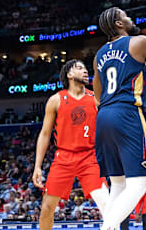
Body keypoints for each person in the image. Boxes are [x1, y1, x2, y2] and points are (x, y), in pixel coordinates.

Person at [93, 7, 146, 230]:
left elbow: (97, 94)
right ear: (119, 24)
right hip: (127, 112)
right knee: (138, 186)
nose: (129, 18)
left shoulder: (99, 54)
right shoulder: (140, 42)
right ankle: (106, 227)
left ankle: (108, 226)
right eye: (125, 16)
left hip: (103, 117)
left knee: (118, 185)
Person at [33, 60, 110, 230]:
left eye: (85, 68)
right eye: (80, 68)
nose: (84, 71)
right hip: (64, 157)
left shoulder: (96, 98)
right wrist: (37, 166)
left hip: (90, 156)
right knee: (46, 208)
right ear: (69, 74)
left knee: (107, 205)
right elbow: (45, 134)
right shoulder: (55, 100)